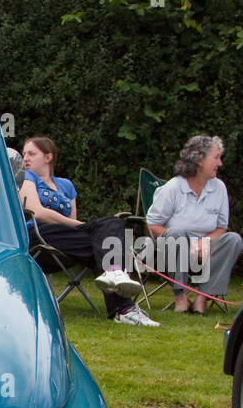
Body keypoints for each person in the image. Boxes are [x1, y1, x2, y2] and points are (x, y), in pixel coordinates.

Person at [18, 136, 158, 327]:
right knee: (105, 236)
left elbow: (73, 218)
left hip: (68, 239)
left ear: (48, 156)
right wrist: (83, 226)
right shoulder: (27, 177)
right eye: (24, 153)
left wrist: (81, 227)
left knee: (109, 231)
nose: (25, 157)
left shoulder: (66, 185)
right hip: (39, 235)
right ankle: (122, 301)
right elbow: (37, 212)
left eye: (31, 153)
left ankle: (120, 298)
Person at [145, 134, 243, 314]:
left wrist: (202, 243)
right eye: (216, 157)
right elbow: (152, 224)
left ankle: (202, 298)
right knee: (177, 234)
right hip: (172, 248)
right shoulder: (174, 188)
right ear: (199, 159)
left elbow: (222, 227)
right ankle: (180, 297)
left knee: (233, 239)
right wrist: (186, 244)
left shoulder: (219, 188)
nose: (220, 163)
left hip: (206, 248)